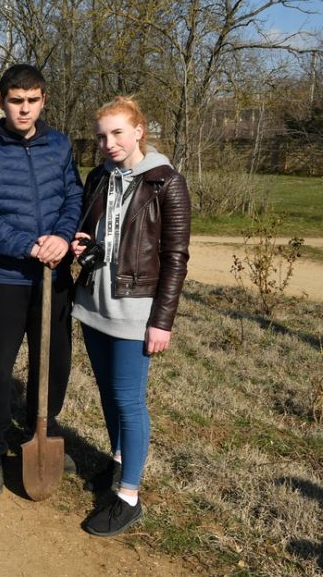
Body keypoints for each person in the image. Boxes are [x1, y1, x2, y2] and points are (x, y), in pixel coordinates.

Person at [0, 64, 83, 496]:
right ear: (2, 101)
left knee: (54, 363)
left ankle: (39, 433)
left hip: (55, 274)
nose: (24, 109)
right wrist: (28, 245)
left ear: (43, 100)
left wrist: (62, 240)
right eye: (16, 101)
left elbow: (74, 197)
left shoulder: (60, 145)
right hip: (4, 275)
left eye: (32, 100)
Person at [71, 96, 190, 536]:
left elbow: (175, 257)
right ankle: (118, 459)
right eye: (102, 136)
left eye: (118, 132)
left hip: (135, 310)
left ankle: (129, 496)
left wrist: (163, 320)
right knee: (107, 393)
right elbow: (93, 232)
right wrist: (82, 246)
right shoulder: (99, 178)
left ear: (139, 130)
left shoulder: (166, 183)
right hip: (95, 303)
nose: (109, 143)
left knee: (128, 399)